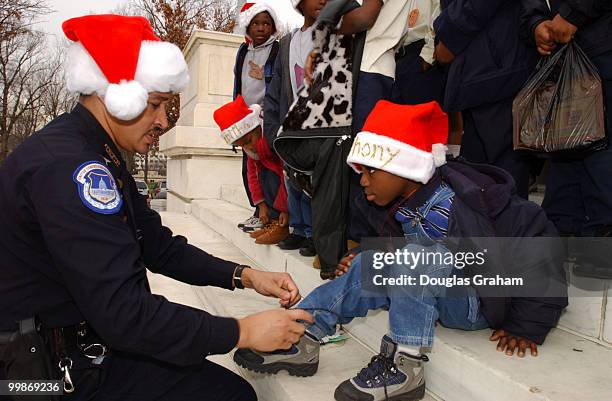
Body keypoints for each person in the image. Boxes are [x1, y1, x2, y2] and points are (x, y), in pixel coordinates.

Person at [0, 15, 313, 400]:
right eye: (156, 104)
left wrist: (245, 275)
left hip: (80, 345)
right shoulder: (73, 169)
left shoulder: (96, 151)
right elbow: (125, 315)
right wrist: (242, 331)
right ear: (115, 93)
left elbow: (158, 246)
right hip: (41, 376)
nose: (165, 121)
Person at [234, 101, 567, 401]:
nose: (362, 181)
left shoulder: (474, 200)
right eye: (360, 172)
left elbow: (540, 246)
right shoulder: (391, 206)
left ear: (406, 167)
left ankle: (404, 367)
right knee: (371, 262)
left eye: (370, 171)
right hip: (434, 290)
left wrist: (528, 324)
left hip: (478, 300)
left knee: (414, 259)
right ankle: (301, 333)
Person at [521, 0, 612, 277]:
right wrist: (536, 22)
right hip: (561, 48)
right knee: (565, 138)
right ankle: (563, 228)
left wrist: (571, 14)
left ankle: (600, 238)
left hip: (601, 39)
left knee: (600, 143)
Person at [433, 0, 541, 199]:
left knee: (503, 180)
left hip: (497, 68)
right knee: (480, 179)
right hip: (485, 66)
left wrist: (448, 36)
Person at [264, 0, 328, 257]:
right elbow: (276, 89)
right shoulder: (288, 42)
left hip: (320, 123)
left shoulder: (335, 35)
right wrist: (271, 128)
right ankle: (299, 229)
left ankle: (315, 233)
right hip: (290, 125)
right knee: (292, 179)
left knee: (314, 180)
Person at [233, 1, 283, 233]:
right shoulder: (243, 51)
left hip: (266, 119)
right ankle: (258, 209)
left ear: (273, 26)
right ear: (247, 27)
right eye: (256, 23)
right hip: (245, 121)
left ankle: (275, 214)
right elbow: (239, 85)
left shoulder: (277, 49)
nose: (261, 28)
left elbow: (279, 83)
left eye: (266, 23)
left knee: (270, 169)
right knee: (249, 170)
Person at [214, 96, 289, 245]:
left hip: (288, 186)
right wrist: (261, 205)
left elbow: (284, 174)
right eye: (243, 146)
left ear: (256, 127)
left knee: (270, 175)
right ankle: (272, 222)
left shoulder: (271, 139)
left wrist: (284, 209)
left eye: (249, 141)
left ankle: (281, 225)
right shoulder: (252, 150)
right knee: (261, 175)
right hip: (278, 192)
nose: (249, 147)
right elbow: (252, 177)